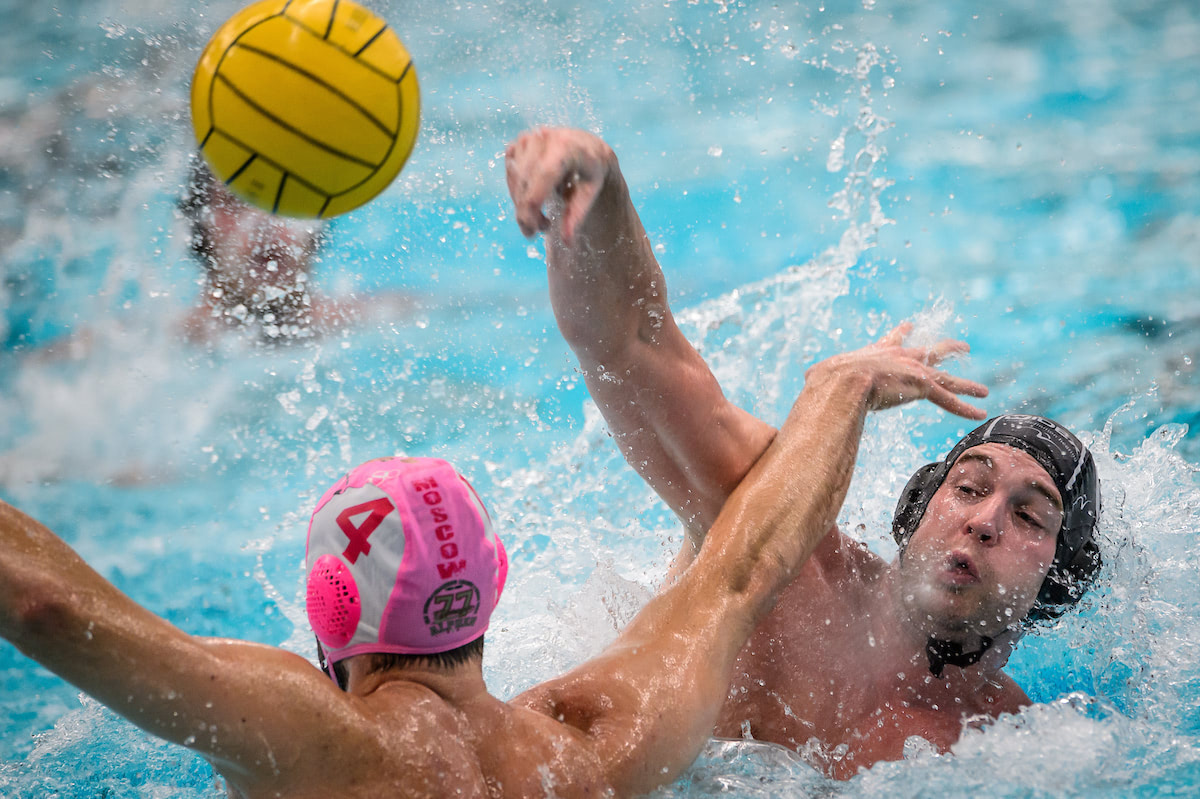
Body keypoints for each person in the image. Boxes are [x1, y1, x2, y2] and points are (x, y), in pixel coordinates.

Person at [0, 326, 986, 795]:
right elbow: (745, 562)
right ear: (492, 583)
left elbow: (43, 604)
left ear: (328, 600)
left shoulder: (314, 738)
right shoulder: (599, 738)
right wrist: (840, 385)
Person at [505, 126, 1104, 779]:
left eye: (1029, 516)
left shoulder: (1015, 739)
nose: (984, 519)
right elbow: (630, 348)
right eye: (967, 486)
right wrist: (599, 182)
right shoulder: (787, 546)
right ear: (916, 506)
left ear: (1062, 576)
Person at [177, 158, 413, 344]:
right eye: (236, 201)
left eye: (288, 198)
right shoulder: (159, 350)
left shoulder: (383, 318)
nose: (265, 223)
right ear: (199, 226)